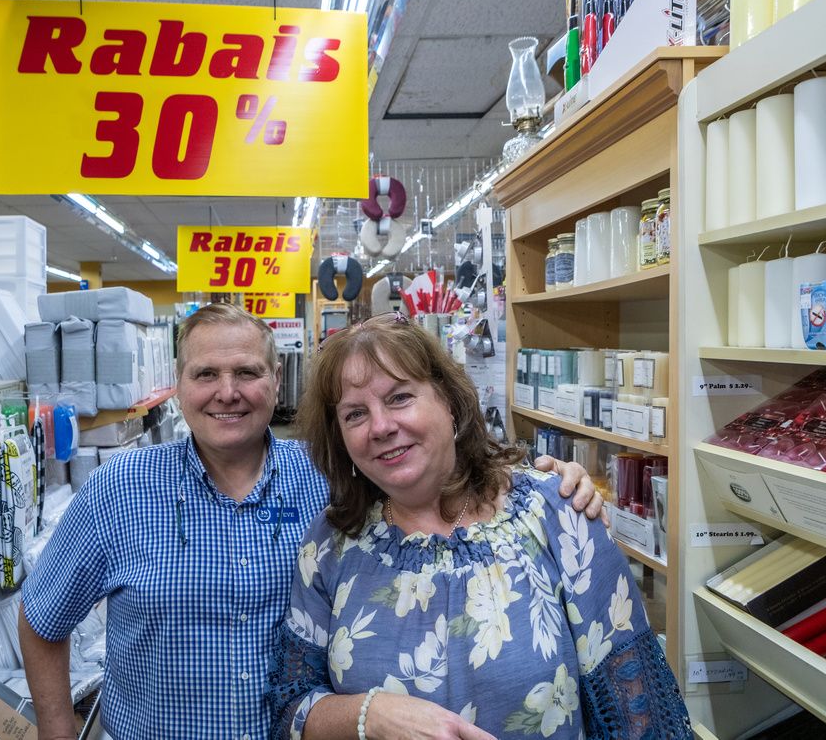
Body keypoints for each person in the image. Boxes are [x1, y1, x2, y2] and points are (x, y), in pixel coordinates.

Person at [18, 304, 604, 740]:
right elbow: (43, 619)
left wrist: (546, 481)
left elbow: (437, 473)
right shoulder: (117, 491)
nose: (228, 392)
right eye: (205, 375)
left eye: (247, 372)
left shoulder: (336, 480)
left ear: (277, 382)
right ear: (177, 387)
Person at [270, 312, 690, 740]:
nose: (381, 427)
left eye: (399, 398)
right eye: (355, 414)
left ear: (449, 403)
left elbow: (640, 713)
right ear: (339, 436)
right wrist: (369, 715)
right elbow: (293, 709)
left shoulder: (556, 513)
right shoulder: (332, 544)